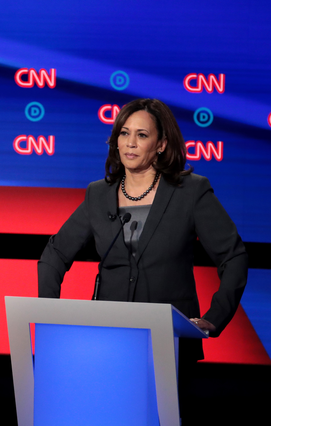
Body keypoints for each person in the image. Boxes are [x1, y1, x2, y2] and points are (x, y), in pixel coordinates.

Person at [37, 98, 247, 422]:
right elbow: (55, 252)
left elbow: (233, 256)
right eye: (123, 133)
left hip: (169, 347)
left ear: (161, 144)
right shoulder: (99, 194)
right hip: (109, 345)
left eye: (141, 135)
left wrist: (215, 317)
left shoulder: (190, 192)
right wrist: (49, 313)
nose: (130, 143)